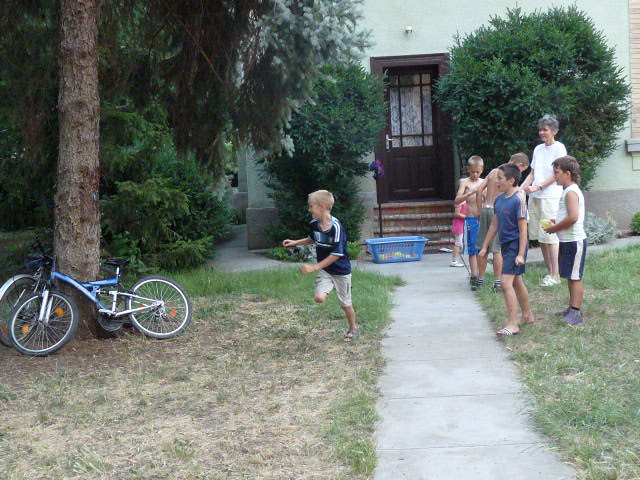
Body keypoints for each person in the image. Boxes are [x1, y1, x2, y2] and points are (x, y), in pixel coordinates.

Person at [282, 190, 358, 341]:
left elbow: (336, 254)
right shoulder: (314, 224)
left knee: (345, 304)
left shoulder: (336, 227)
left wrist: (314, 267)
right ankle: (326, 290)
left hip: (341, 271)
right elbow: (313, 238)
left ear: (322, 207)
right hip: (326, 270)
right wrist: (295, 242)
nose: (309, 209)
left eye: (311, 206)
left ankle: (353, 328)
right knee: (319, 298)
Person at [479, 163, 534, 336]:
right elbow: (494, 224)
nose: (496, 182)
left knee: (505, 283)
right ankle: (528, 315)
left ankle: (513, 323)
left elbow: (523, 230)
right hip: (505, 246)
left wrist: (520, 254)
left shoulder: (518, 199)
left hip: (516, 246)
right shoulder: (499, 199)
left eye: (500, 179)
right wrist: (485, 246)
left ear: (511, 180)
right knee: (516, 281)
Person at [469, 153, 531, 292]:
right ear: (519, 165)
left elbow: (479, 190)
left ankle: (480, 279)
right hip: (498, 211)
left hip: (486, 209)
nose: (520, 172)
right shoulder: (506, 178)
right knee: (497, 250)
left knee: (483, 248)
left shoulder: (493, 172)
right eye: (522, 169)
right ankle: (498, 282)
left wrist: (479, 210)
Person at [521, 114, 567, 287]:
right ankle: (550, 273)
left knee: (550, 236)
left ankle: (556, 275)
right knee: (540, 237)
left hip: (550, 197)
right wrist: (520, 190)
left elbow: (556, 174)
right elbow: (532, 173)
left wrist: (539, 187)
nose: (541, 132)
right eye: (540, 130)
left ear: (554, 131)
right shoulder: (538, 149)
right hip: (535, 198)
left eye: (545, 130)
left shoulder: (559, 148)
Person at [542, 156, 586, 325]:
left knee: (575, 277)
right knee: (569, 275)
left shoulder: (571, 192)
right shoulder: (567, 191)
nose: (554, 176)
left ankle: (576, 312)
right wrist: (556, 221)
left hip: (575, 241)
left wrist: (554, 228)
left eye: (556, 173)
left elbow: (573, 217)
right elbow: (568, 215)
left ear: (567, 174)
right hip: (567, 241)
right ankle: (572, 307)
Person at [454, 156, 484, 289]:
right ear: (468, 169)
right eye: (473, 172)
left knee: (482, 250)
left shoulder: (484, 182)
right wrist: (469, 193)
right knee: (472, 250)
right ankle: (474, 276)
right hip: (470, 219)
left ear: (482, 170)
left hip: (482, 220)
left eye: (478, 172)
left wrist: (483, 194)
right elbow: (457, 200)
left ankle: (481, 276)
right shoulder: (464, 182)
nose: (475, 175)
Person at [450, 200, 467, 267]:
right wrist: (466, 216)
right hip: (458, 224)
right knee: (458, 243)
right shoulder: (460, 201)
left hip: (462, 223)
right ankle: (454, 261)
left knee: (459, 243)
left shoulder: (465, 200)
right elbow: (457, 214)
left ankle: (455, 259)